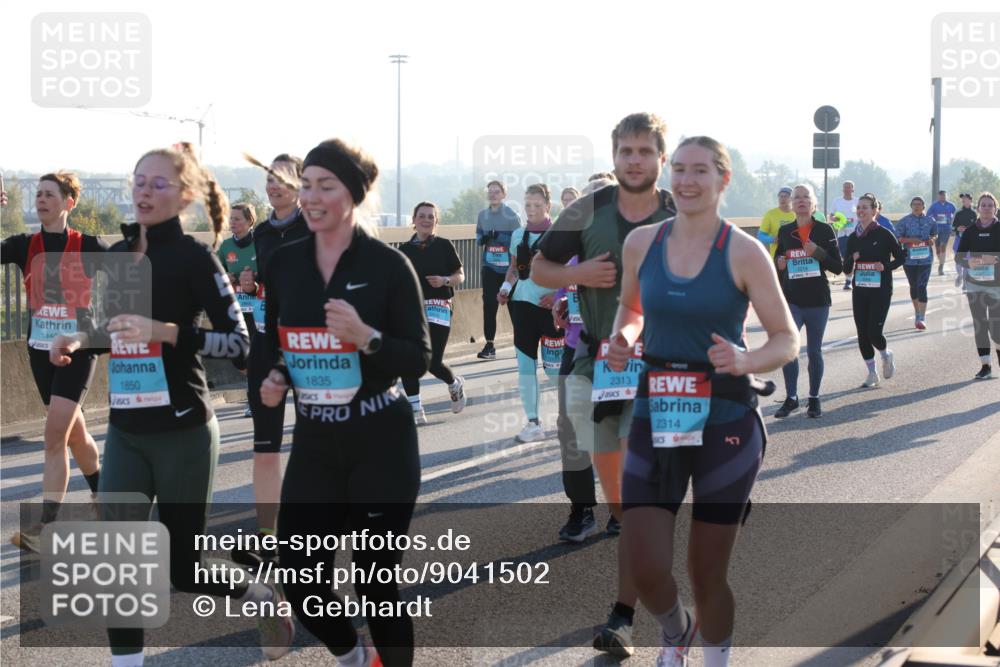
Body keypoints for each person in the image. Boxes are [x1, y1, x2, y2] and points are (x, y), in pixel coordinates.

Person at [49, 143, 289, 665]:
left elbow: (242, 345)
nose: (143, 190)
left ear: (183, 197)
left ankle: (266, 599)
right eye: (138, 180)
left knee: (184, 569)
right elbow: (112, 329)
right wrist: (76, 338)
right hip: (128, 432)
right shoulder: (116, 256)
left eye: (158, 183)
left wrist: (167, 332)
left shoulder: (194, 259)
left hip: (184, 433)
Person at [608, 136, 798, 667]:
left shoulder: (743, 250)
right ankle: (676, 631)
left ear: (723, 180)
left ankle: (716, 659)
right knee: (646, 567)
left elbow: (786, 338)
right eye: (681, 170)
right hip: (659, 406)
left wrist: (746, 359)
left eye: (701, 171)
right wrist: (625, 336)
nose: (688, 181)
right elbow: (631, 306)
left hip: (726, 418)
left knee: (706, 572)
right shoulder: (642, 243)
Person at [259, 138, 431, 667]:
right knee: (299, 575)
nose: (310, 197)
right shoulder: (285, 263)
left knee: (376, 585)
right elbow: (281, 338)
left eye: (324, 186)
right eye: (305, 185)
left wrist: (367, 337)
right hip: (316, 440)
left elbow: (418, 358)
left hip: (381, 438)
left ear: (353, 195)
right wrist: (278, 374)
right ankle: (353, 655)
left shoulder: (387, 265)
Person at [533, 112, 677, 658]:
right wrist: (578, 275)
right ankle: (641, 549)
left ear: (661, 158)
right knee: (619, 496)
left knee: (640, 496)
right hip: (599, 365)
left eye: (645, 151)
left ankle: (624, 615)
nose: (635, 160)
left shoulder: (680, 208)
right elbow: (539, 267)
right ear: (614, 156)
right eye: (626, 151)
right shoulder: (588, 207)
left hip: (664, 368)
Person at [2, 171, 104, 552]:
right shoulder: (23, 245)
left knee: (54, 436)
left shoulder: (88, 245)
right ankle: (104, 497)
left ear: (68, 202)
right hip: (39, 351)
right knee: (75, 433)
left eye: (49, 194)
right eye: (39, 194)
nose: (41, 199)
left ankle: (46, 528)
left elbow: (135, 274)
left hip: (78, 349)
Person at [231, 153, 310, 568]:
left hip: (311, 347)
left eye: (282, 178)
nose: (274, 185)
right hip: (266, 344)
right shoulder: (261, 233)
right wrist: (252, 282)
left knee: (317, 445)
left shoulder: (316, 226)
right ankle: (267, 537)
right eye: (269, 178)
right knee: (265, 445)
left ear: (301, 183)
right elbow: (269, 284)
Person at [551, 177, 615, 543]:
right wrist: (562, 305)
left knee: (616, 430)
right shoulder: (571, 249)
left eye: (597, 200)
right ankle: (582, 509)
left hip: (616, 353)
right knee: (570, 430)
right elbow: (564, 290)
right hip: (574, 350)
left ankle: (623, 507)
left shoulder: (623, 246)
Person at [497, 183, 562, 443]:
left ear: (548, 206)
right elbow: (513, 269)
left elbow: (572, 271)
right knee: (525, 367)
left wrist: (558, 296)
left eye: (537, 205)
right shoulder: (517, 235)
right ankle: (533, 422)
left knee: (555, 371)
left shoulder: (561, 234)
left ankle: (572, 413)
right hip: (522, 306)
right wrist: (505, 288)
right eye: (528, 205)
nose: (532, 210)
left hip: (551, 309)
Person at [773, 184, 843, 418]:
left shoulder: (824, 230)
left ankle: (814, 398)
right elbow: (778, 261)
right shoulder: (785, 232)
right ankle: (791, 398)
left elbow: (838, 267)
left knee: (814, 351)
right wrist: (780, 264)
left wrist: (818, 252)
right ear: (791, 204)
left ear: (813, 204)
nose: (801, 201)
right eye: (797, 198)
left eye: (806, 197)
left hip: (817, 300)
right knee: (789, 349)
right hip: (792, 298)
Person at [398, 201, 466, 424]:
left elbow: (460, 275)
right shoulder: (404, 250)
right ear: (414, 220)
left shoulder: (445, 245)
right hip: (412, 309)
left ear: (436, 221)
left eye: (430, 216)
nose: (426, 220)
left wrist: (445, 280)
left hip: (439, 306)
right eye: (422, 216)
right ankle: (416, 409)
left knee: (432, 362)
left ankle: (454, 384)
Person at [844, 193, 906, 387]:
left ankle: (886, 354)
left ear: (874, 211)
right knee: (862, 333)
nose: (861, 210)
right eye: (859, 207)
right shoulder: (853, 237)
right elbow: (845, 269)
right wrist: (852, 260)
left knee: (873, 332)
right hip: (860, 290)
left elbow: (901, 258)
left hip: (881, 290)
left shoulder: (884, 234)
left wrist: (884, 267)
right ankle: (872, 373)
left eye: (865, 207)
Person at [217, 202, 258, 417]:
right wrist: (227, 278)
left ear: (249, 221)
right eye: (230, 219)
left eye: (237, 219)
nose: (232, 223)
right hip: (235, 310)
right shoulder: (225, 247)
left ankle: (254, 401)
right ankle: (257, 377)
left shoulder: (260, 243)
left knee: (254, 356)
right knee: (238, 358)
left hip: (259, 309)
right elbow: (214, 274)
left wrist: (255, 281)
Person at [475, 180, 522, 360]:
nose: (493, 195)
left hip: (509, 269)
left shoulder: (512, 216)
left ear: (504, 195)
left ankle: (521, 345)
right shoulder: (482, 215)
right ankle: (489, 345)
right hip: (489, 267)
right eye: (490, 192)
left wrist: (500, 236)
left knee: (514, 307)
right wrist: (485, 237)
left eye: (496, 192)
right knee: (489, 306)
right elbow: (478, 238)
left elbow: (519, 242)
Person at [955, 192, 999, 380]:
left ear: (995, 208)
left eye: (990, 205)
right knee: (980, 325)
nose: (987, 208)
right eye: (984, 205)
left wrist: (995, 259)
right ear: (978, 208)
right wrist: (968, 263)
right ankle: (985, 365)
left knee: (996, 328)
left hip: (997, 285)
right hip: (975, 284)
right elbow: (959, 256)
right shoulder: (971, 230)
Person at [894, 196, 937, 330]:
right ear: (911, 206)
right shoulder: (904, 221)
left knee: (922, 286)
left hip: (926, 259)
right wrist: (911, 239)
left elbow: (935, 234)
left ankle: (921, 318)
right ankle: (917, 311)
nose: (916, 206)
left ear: (924, 206)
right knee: (914, 286)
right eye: (914, 204)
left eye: (919, 204)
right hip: (909, 260)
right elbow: (898, 238)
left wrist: (932, 240)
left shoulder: (930, 220)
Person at [830, 180, 859, 290]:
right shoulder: (837, 201)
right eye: (845, 187)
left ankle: (854, 278)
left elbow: (862, 214)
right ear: (842, 189)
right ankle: (848, 280)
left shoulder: (857, 201)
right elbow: (831, 216)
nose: (847, 189)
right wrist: (835, 219)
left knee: (856, 256)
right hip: (842, 233)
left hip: (856, 234)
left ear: (853, 189)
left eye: (849, 187)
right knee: (845, 257)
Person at [757, 186, 795, 257]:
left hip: (794, 259)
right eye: (781, 196)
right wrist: (772, 239)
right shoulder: (770, 214)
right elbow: (760, 236)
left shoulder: (797, 214)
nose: (782, 199)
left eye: (786, 196)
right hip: (776, 258)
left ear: (792, 199)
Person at [928, 190, 957, 276]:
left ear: (946, 196)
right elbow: (928, 215)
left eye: (944, 196)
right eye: (941, 196)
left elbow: (956, 215)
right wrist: (935, 218)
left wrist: (951, 221)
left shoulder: (951, 206)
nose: (942, 197)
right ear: (938, 196)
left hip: (946, 229)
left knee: (943, 246)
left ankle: (941, 266)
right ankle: (941, 262)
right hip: (936, 229)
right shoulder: (934, 206)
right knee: (937, 250)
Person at [954, 193, 977, 288]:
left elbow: (977, 227)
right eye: (962, 199)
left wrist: (967, 230)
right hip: (959, 240)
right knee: (958, 261)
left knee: (967, 261)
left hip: (969, 241)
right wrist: (957, 228)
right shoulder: (958, 213)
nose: (963, 200)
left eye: (965, 198)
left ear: (970, 200)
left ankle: (965, 283)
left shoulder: (974, 213)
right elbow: (952, 227)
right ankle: (959, 275)